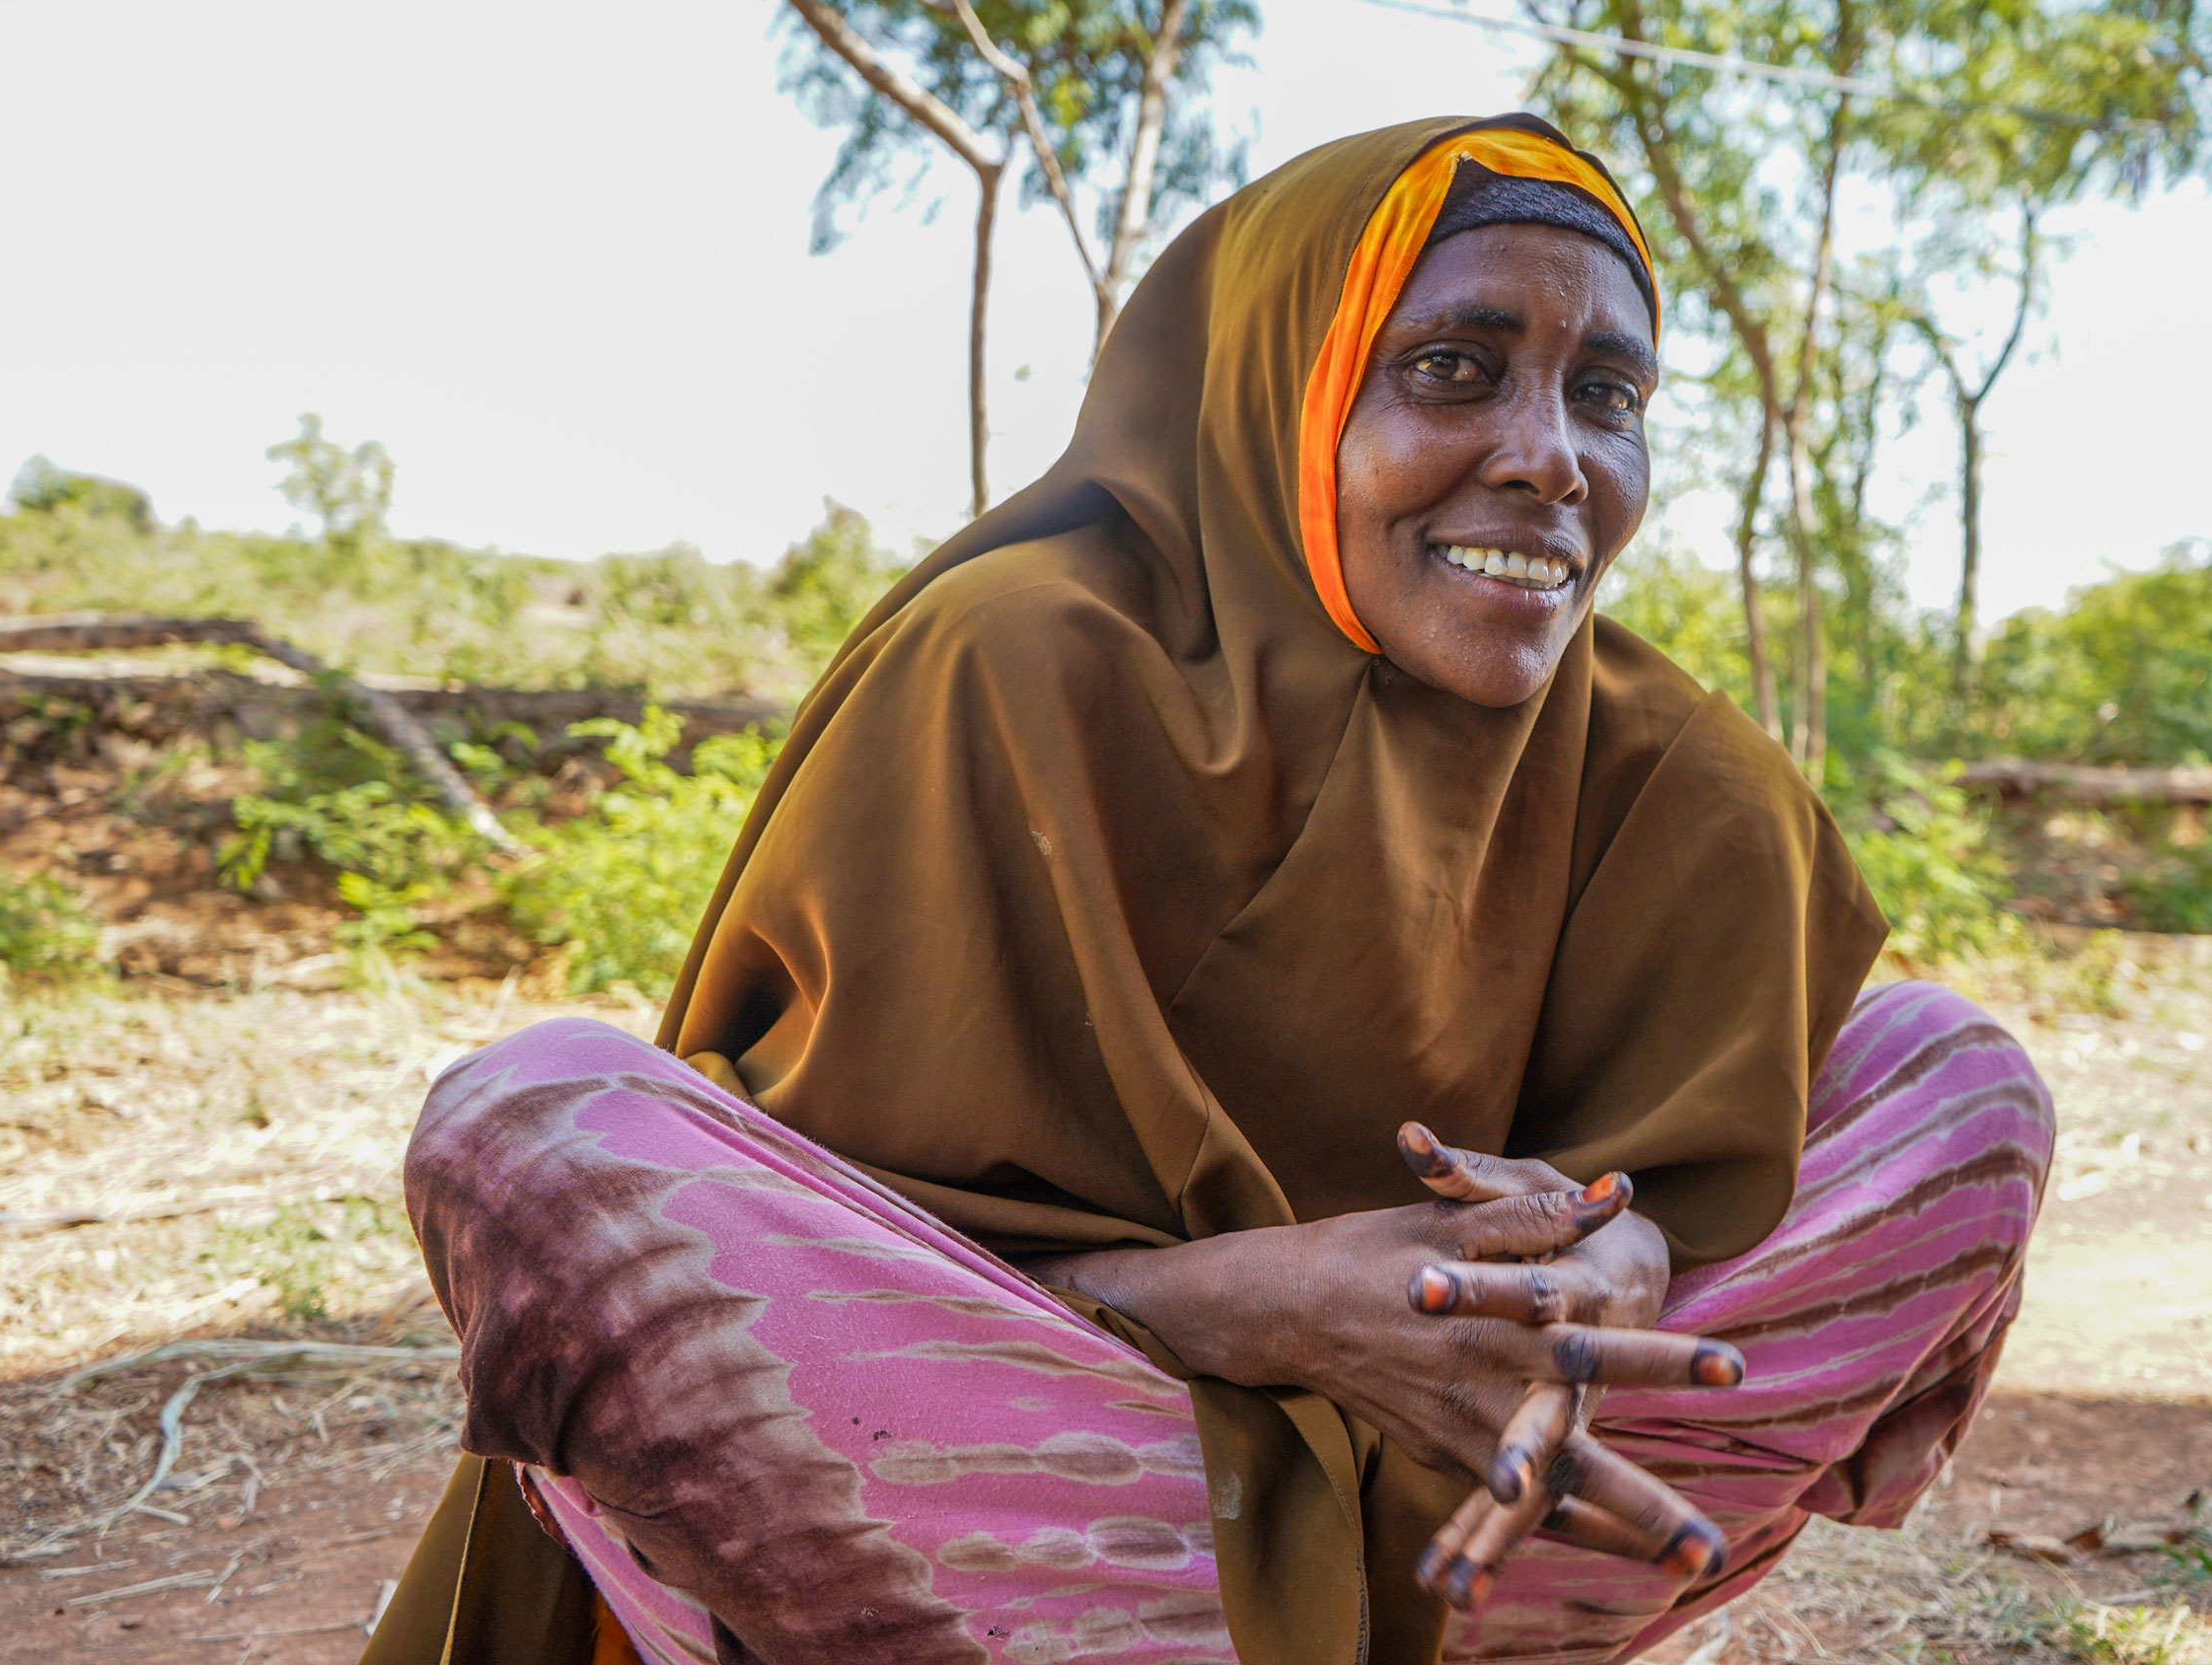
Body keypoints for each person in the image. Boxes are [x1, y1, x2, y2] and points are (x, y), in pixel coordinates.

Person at [363, 114, 2052, 1665]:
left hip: (1475, 1506)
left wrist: (1629, 1260)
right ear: (1278, 389)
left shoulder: (1680, 772)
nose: (1548, 457)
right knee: (539, 1134)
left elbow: (1701, 1175)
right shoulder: (1018, 662)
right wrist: (1255, 1303)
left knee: (1955, 1083)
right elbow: (855, 1233)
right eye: (1454, 369)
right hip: (1023, 1497)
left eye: (1606, 396)